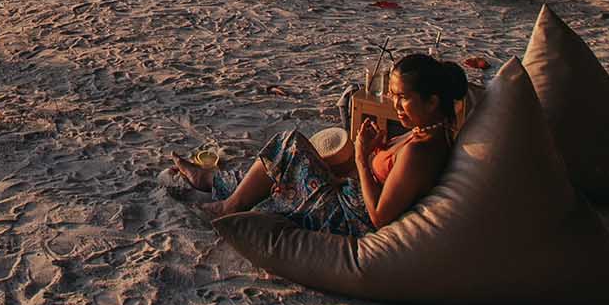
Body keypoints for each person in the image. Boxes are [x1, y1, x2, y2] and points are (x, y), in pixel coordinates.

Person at [166, 54, 470, 233]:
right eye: (393, 94)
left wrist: (363, 157)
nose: (395, 104)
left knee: (289, 144)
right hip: (345, 194)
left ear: (432, 101)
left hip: (347, 216)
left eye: (403, 97)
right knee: (285, 163)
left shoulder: (421, 150)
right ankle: (212, 180)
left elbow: (379, 216)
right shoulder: (424, 131)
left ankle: (226, 205)